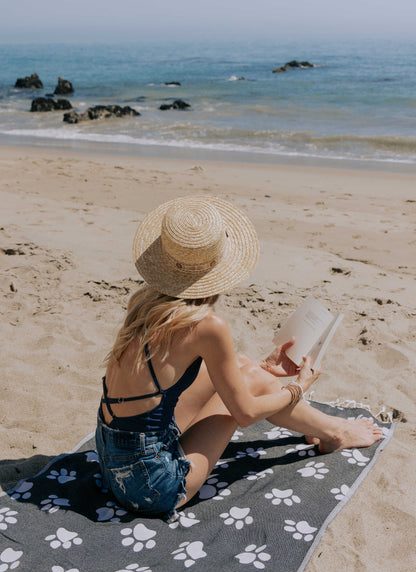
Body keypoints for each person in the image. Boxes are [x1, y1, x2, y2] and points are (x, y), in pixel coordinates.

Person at [95, 195, 382, 522]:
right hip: (150, 486)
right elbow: (244, 414)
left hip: (112, 452)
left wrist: (260, 369)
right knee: (257, 382)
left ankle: (325, 428)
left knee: (248, 367)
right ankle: (335, 433)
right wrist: (298, 387)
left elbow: (173, 373)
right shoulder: (207, 325)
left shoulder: (146, 303)